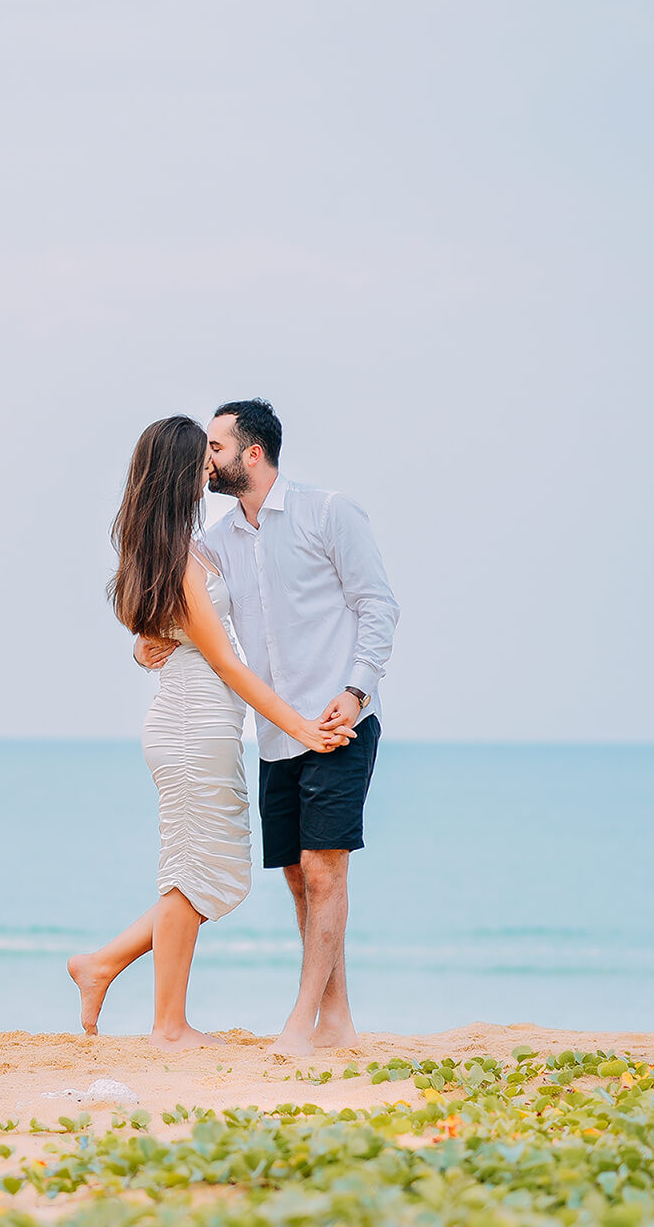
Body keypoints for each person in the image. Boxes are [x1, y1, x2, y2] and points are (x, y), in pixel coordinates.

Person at [68, 414, 356, 1052]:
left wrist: (150, 644)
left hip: (197, 723)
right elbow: (227, 662)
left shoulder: (175, 550)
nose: (210, 468)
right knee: (197, 875)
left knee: (204, 872)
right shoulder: (182, 560)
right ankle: (167, 1025)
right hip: (194, 724)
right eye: (201, 459)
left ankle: (103, 964)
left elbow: (162, 636)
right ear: (179, 475)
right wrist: (302, 728)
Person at [139, 399, 398, 1054]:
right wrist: (145, 644)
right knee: (297, 876)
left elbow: (378, 606)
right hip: (277, 735)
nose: (207, 460)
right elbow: (176, 607)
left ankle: (300, 1023)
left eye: (217, 448)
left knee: (324, 871)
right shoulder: (215, 545)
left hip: (337, 723)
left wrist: (356, 689)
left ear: (252, 454)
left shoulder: (328, 513)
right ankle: (336, 1019)